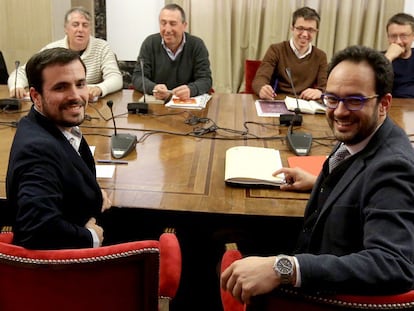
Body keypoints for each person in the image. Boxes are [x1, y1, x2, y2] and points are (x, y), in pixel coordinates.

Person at [221, 45, 414, 303]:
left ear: (384, 103)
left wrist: (284, 268)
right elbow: (364, 184)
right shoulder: (363, 133)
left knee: (208, 239)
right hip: (315, 250)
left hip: (320, 295)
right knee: (224, 231)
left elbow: (394, 264)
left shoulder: (394, 168)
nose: (340, 112)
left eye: (355, 100)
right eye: (332, 99)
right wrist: (320, 182)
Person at [6, 47, 112, 250]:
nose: (76, 96)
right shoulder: (37, 151)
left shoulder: (47, 125)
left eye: (80, 84)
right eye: (61, 87)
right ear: (35, 96)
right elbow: (35, 230)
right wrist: (91, 237)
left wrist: (93, 194)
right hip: (65, 272)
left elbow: (66, 175)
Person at [7, 7, 122, 101]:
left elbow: (116, 78)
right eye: (75, 25)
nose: (80, 29)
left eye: (85, 25)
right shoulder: (53, 49)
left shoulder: (102, 47)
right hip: (61, 103)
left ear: (90, 29)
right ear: (66, 29)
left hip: (91, 105)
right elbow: (21, 72)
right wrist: (17, 86)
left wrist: (100, 88)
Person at [132, 3, 212, 101]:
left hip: (187, 106)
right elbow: (138, 77)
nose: (167, 29)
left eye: (173, 24)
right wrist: (153, 88)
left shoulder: (196, 45)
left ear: (184, 25)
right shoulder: (150, 43)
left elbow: (206, 80)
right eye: (163, 23)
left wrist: (191, 90)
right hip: (158, 105)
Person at [252, 7, 327, 101]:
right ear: (292, 28)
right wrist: (262, 88)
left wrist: (319, 92)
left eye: (310, 30)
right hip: (279, 101)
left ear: (316, 32)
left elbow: (325, 87)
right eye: (300, 28)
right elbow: (260, 79)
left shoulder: (320, 56)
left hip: (306, 104)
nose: (304, 34)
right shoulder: (276, 50)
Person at [384, 12, 414, 98]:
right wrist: (388, 58)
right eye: (393, 36)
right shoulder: (379, 59)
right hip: (389, 106)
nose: (398, 42)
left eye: (403, 36)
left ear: (413, 36)